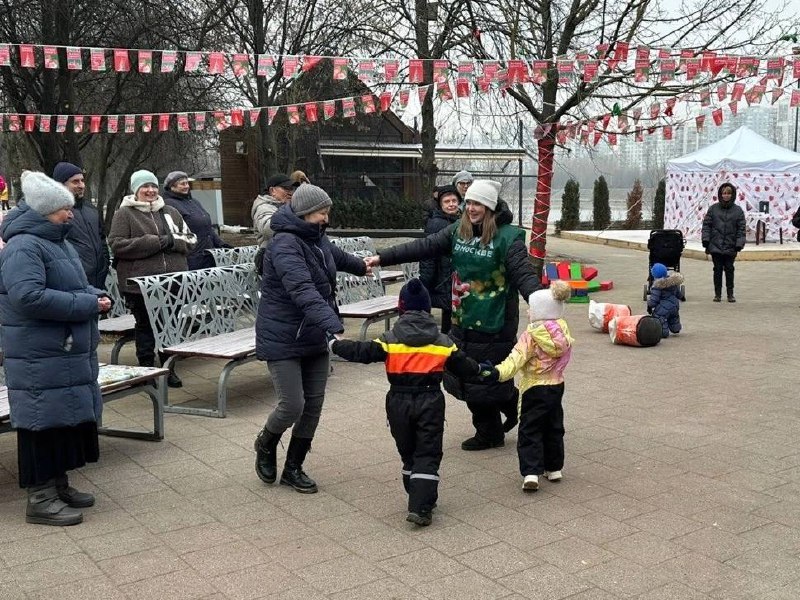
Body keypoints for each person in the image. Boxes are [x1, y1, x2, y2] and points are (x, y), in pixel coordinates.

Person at [366, 180, 541, 451]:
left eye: (478, 203)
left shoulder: (508, 238)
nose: (471, 208)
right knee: (468, 377)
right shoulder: (458, 231)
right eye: (468, 202)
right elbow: (423, 246)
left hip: (496, 322)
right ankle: (507, 402)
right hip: (462, 316)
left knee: (480, 381)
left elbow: (524, 275)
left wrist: (542, 307)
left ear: (490, 207)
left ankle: (490, 433)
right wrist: (381, 258)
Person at [0, 171, 112, 525]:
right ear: (45, 211)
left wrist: (96, 296)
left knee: (60, 420)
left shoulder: (55, 241)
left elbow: (74, 285)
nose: (71, 214)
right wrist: (87, 305)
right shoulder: (24, 246)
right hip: (38, 353)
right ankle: (40, 497)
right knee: (41, 424)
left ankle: (58, 484)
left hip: (58, 350)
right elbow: (28, 297)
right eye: (64, 208)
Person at [330, 278, 483, 526]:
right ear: (426, 309)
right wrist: (481, 369)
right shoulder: (443, 342)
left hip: (398, 402)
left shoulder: (390, 339)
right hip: (430, 400)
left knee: (409, 452)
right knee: (428, 451)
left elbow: (362, 352)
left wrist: (335, 344)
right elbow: (465, 367)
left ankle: (417, 493)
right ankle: (421, 506)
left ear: (401, 309)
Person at [253, 183, 369, 494]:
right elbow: (303, 290)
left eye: (327, 212)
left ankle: (293, 467)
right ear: (304, 213)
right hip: (283, 335)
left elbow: (334, 255)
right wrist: (335, 326)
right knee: (292, 405)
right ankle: (265, 442)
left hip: (313, 332)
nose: (325, 218)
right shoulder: (285, 244)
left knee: (313, 407)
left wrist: (362, 266)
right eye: (321, 213)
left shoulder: (315, 236)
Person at [108, 170, 196, 388]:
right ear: (136, 190)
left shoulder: (170, 211)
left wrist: (172, 242)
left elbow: (191, 239)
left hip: (172, 282)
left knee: (170, 326)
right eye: (144, 187)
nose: (150, 191)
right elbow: (117, 244)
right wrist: (154, 242)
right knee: (146, 326)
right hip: (140, 285)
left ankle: (168, 369)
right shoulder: (125, 214)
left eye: (153, 186)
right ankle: (147, 371)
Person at [482, 280, 574, 492]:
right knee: (553, 426)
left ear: (540, 311)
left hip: (534, 387)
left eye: (531, 308)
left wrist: (497, 372)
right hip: (557, 384)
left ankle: (531, 472)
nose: (528, 310)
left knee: (530, 429)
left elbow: (516, 359)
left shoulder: (531, 335)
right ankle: (554, 468)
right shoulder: (563, 330)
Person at [52, 162, 111, 289]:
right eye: (75, 182)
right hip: (72, 284)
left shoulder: (91, 209)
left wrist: (104, 265)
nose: (82, 185)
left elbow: (102, 240)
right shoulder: (54, 212)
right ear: (61, 184)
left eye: (82, 181)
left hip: (98, 280)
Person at [162, 171, 231, 270]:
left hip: (208, 255)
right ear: (171, 186)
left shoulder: (194, 202)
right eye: (182, 184)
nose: (186, 186)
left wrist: (221, 244)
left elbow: (207, 228)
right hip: (191, 259)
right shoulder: (169, 205)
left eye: (187, 183)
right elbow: (175, 235)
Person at [419, 185, 461, 333]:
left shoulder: (457, 220)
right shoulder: (436, 223)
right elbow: (427, 254)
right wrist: (425, 281)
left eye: (454, 201)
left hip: (450, 275)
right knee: (448, 315)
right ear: (440, 205)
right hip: (441, 277)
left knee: (450, 313)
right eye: (447, 201)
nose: (451, 204)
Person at [701, 183, 745, 303]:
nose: (726, 196)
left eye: (728, 193)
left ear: (732, 195)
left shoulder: (738, 211)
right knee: (717, 269)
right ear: (720, 194)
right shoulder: (713, 209)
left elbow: (741, 229)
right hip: (716, 245)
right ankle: (718, 294)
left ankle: (730, 294)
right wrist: (706, 240)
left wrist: (739, 243)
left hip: (731, 246)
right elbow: (706, 226)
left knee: (730, 269)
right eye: (724, 193)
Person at [251, 173, 297, 248]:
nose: (290, 192)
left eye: (292, 188)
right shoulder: (263, 207)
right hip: (271, 255)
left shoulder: (288, 206)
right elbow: (269, 228)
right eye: (286, 188)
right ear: (272, 190)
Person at [646, 263, 683, 338]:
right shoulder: (672, 282)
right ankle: (676, 328)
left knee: (658, 315)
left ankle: (663, 332)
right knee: (674, 316)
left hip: (664, 306)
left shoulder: (657, 286)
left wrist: (649, 305)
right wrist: (682, 297)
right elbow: (677, 292)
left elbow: (654, 300)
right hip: (675, 305)